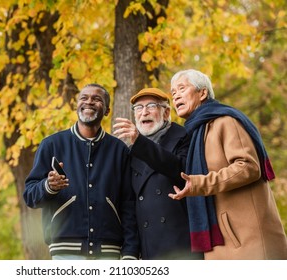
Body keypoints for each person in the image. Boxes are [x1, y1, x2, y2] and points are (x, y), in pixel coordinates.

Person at [168, 69, 287, 259]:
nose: (176, 96)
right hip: (219, 242)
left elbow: (249, 166)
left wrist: (200, 184)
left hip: (248, 239)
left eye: (181, 89)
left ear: (203, 93)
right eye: (173, 93)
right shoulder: (192, 135)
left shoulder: (225, 121)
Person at [23, 83, 139, 260]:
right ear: (77, 105)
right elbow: (29, 196)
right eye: (84, 98)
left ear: (107, 110)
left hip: (109, 253)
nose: (89, 102)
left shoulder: (119, 150)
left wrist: (130, 253)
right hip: (64, 254)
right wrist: (48, 186)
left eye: (97, 99)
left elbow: (128, 205)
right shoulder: (51, 145)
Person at [113, 88, 202, 260]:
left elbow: (180, 171)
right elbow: (129, 205)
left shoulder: (184, 136)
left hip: (183, 245)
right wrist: (130, 251)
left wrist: (140, 142)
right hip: (149, 250)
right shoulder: (132, 152)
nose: (144, 112)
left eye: (151, 106)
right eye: (138, 108)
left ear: (166, 112)